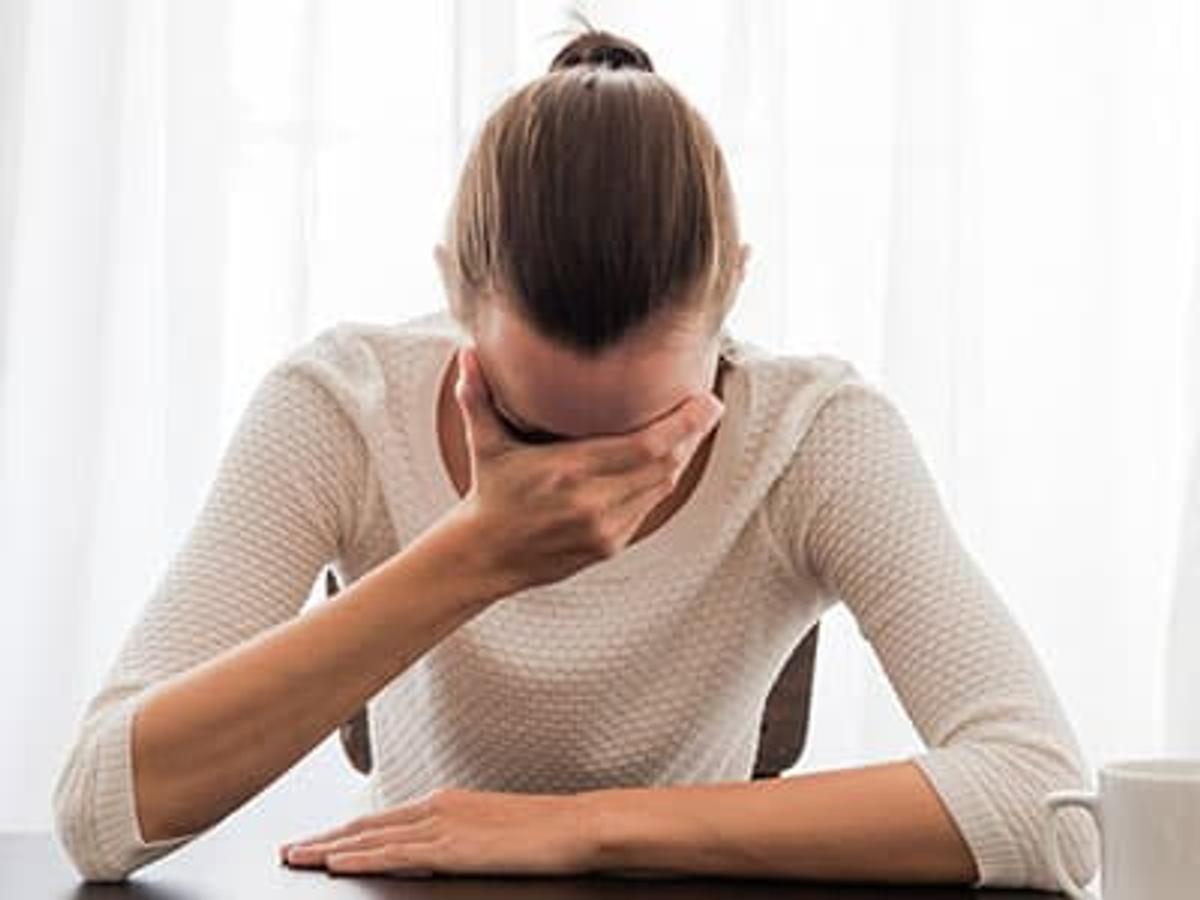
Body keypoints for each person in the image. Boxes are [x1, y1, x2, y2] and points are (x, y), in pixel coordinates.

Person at [52, 26, 1098, 890]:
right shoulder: (341, 406)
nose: (582, 483)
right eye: (537, 428)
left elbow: (1045, 806)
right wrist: (472, 556)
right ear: (454, 291)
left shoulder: (813, 434)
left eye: (644, 433)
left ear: (732, 289)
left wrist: (587, 827)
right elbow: (99, 812)